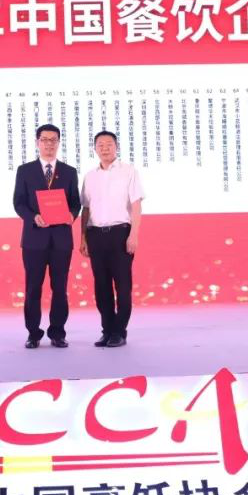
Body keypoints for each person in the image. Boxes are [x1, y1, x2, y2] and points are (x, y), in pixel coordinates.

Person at [13, 124, 81, 349]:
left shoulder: (69, 171)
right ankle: (33, 333)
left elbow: (75, 203)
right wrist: (33, 217)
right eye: (44, 139)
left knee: (60, 288)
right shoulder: (25, 170)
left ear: (58, 143)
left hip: (61, 240)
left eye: (53, 140)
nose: (49, 144)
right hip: (34, 239)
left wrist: (72, 215)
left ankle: (57, 332)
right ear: (37, 142)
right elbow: (19, 203)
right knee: (33, 288)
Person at [80, 130, 144, 348]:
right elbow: (86, 209)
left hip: (120, 234)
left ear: (116, 147)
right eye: (100, 145)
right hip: (95, 235)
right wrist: (83, 238)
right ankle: (107, 330)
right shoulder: (90, 176)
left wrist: (133, 235)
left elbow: (136, 205)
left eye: (109, 144)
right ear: (95, 149)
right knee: (101, 287)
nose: (105, 148)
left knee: (123, 286)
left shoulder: (128, 171)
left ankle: (119, 331)